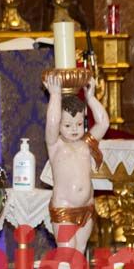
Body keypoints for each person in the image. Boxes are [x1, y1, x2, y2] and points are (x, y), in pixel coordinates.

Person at [44, 76, 110, 253]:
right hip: (64, 208)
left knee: (80, 250)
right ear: (59, 126)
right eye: (67, 125)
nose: (74, 129)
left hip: (86, 208)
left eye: (79, 124)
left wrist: (91, 98)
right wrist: (55, 95)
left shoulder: (86, 143)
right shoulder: (56, 145)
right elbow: (51, 123)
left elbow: (104, 122)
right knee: (67, 252)